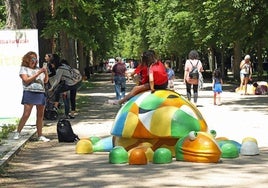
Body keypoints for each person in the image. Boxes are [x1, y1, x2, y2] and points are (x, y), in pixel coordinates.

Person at [14, 51, 50, 142]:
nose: (34, 61)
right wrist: (38, 73)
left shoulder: (38, 68)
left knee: (40, 115)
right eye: (32, 59)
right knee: (26, 114)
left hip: (40, 92)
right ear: (27, 59)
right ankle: (18, 132)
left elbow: (45, 81)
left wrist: (45, 73)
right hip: (29, 92)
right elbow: (26, 80)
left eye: (35, 59)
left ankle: (40, 135)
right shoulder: (24, 69)